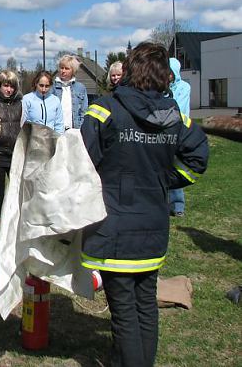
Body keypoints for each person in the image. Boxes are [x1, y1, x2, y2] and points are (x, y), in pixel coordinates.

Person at [80, 42, 208, 367]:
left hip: (114, 227)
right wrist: (165, 180)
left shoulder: (104, 109)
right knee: (146, 306)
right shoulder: (173, 115)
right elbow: (197, 157)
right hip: (152, 225)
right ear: (164, 74)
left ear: (130, 69)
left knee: (124, 312)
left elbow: (80, 165)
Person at [0, 70, 22, 230]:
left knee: (17, 190)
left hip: (15, 153)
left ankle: (16, 223)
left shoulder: (20, 102)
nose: (9, 90)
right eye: (6, 86)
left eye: (12, 87)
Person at [168, 57, 191, 217]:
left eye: (169, 72)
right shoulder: (161, 87)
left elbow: (179, 108)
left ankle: (177, 206)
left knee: (176, 166)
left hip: (178, 129)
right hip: (164, 130)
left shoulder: (184, 87)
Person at [52, 54, 88, 130]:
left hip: (74, 129)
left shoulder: (80, 88)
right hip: (56, 129)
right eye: (62, 68)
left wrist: (80, 128)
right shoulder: (52, 87)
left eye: (67, 68)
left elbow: (84, 111)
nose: (63, 71)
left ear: (73, 70)